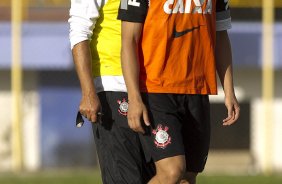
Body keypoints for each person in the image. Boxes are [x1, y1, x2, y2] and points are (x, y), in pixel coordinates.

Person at [118, 0, 240, 183]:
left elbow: (220, 35)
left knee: (188, 177)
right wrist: (134, 97)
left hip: (198, 89)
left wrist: (229, 91)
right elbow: (129, 41)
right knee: (172, 172)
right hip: (156, 90)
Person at [69, 0, 155, 183]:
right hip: (113, 85)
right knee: (123, 176)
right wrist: (88, 93)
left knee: (164, 173)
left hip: (153, 85)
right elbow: (79, 31)